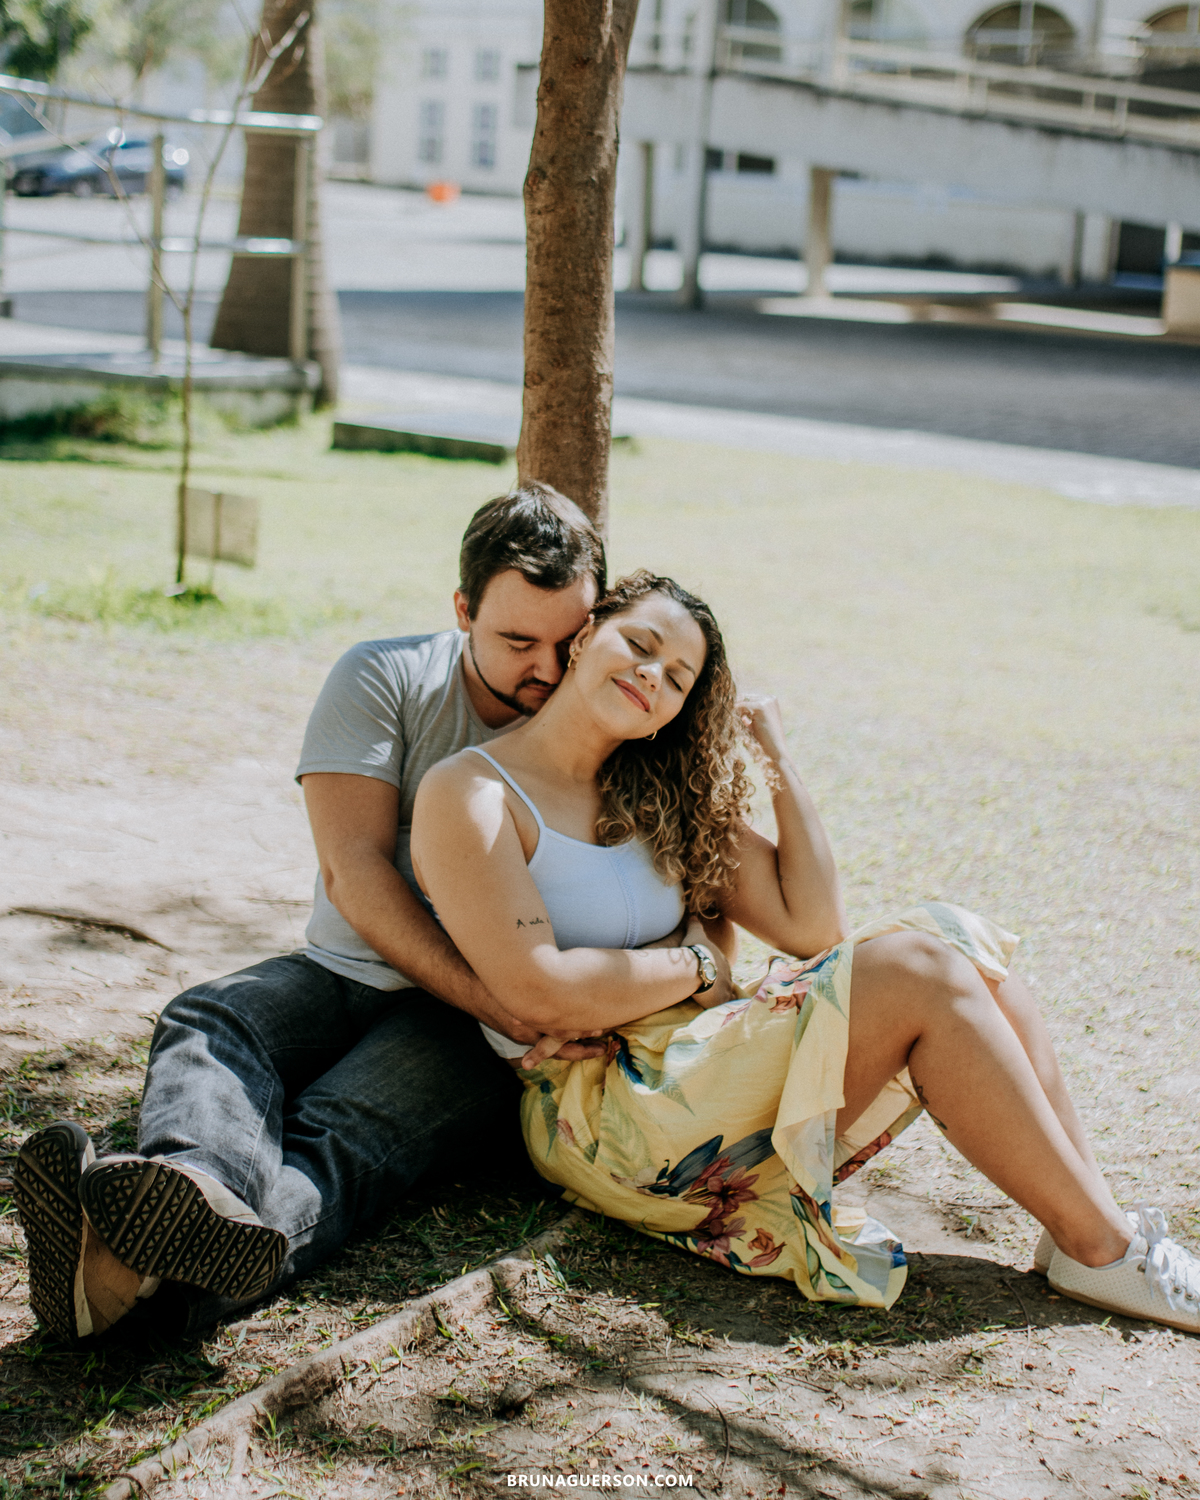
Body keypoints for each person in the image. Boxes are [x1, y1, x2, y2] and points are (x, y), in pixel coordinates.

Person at [409, 569, 1200, 1331]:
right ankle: (1107, 1248)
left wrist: (777, 759)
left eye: (679, 679)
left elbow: (812, 925)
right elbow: (539, 991)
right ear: (585, 638)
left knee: (966, 954)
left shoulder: (653, 790)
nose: (654, 676)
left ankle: (1095, 1230)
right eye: (640, 645)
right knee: (921, 969)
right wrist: (699, 964)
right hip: (603, 1112)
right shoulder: (473, 793)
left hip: (695, 1058)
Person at [14, 482, 638, 1343]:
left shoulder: (606, 721)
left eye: (570, 643)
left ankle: (131, 1273)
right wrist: (505, 1003)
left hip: (466, 1029)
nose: (546, 668)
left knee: (339, 1136)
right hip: (348, 969)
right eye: (517, 641)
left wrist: (504, 1010)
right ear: (462, 609)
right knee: (212, 1016)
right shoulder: (383, 676)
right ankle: (190, 1191)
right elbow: (354, 874)